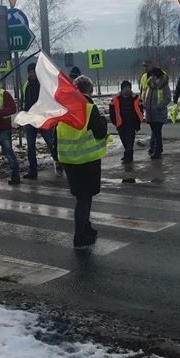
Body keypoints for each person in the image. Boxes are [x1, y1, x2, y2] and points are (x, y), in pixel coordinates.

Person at [56, 75, 109, 249]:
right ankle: (79, 236)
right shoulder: (89, 107)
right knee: (84, 198)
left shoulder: (65, 107)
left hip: (69, 160)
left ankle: (86, 227)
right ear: (90, 90)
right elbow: (100, 132)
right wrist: (102, 121)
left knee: (82, 196)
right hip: (87, 159)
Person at [21, 62, 61, 179]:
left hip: (43, 117)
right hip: (31, 118)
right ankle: (33, 170)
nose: (32, 74)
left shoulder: (44, 84)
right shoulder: (26, 85)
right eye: (30, 72)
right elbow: (24, 101)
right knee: (30, 146)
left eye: (33, 71)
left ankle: (58, 162)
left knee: (50, 142)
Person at [109, 80, 143, 163]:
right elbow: (112, 112)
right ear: (122, 89)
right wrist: (114, 122)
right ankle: (128, 154)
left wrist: (138, 122)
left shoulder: (136, 98)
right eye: (125, 88)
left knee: (130, 141)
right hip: (121, 124)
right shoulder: (115, 99)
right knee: (124, 141)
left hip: (132, 123)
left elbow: (141, 110)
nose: (127, 90)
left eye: (128, 87)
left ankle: (128, 157)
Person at [144, 67, 171, 159]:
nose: (152, 77)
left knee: (157, 132)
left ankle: (157, 150)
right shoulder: (150, 86)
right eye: (152, 75)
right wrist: (145, 105)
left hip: (159, 113)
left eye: (154, 75)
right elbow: (146, 97)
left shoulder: (163, 86)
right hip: (150, 113)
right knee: (155, 132)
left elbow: (167, 98)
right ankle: (157, 148)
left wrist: (158, 106)